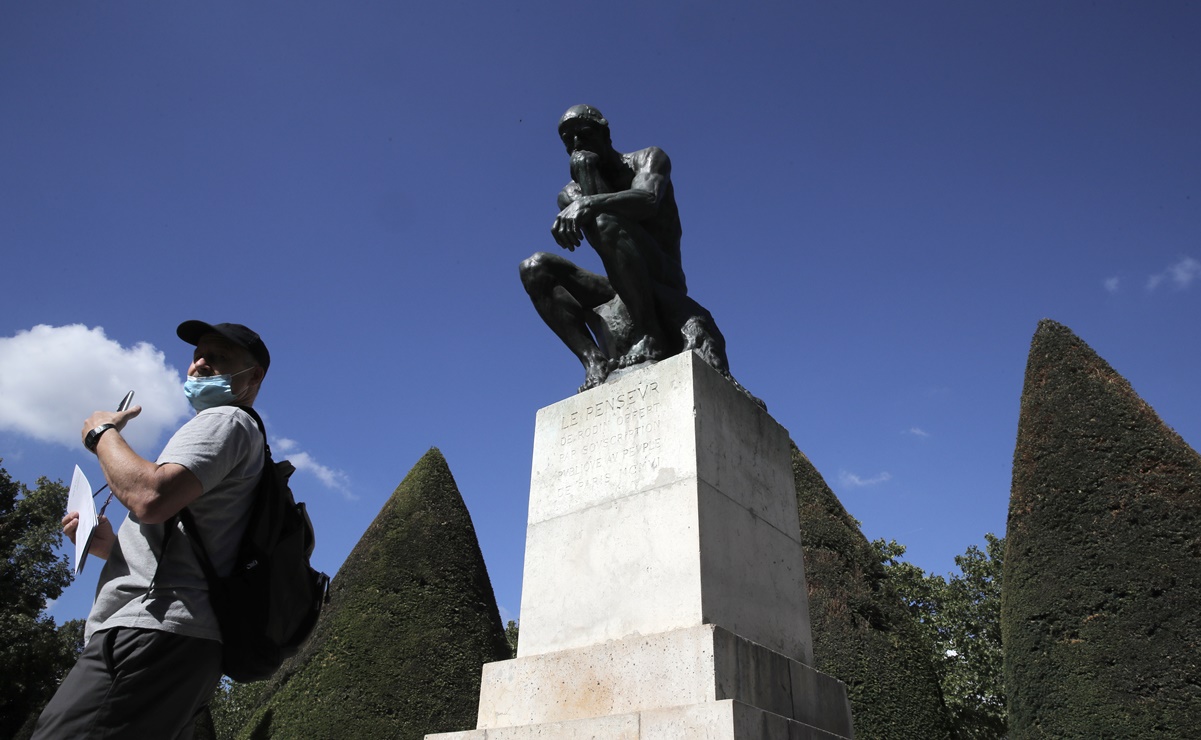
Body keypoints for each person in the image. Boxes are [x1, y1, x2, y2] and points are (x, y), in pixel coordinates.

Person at [33, 321, 271, 740]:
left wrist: (101, 434)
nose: (199, 363)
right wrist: (112, 547)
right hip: (173, 636)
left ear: (253, 377)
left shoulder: (226, 420)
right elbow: (191, 537)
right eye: (198, 353)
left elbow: (149, 496)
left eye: (218, 357)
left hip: (152, 629)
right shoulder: (236, 434)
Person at [520, 105, 741, 395]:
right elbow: (598, 220)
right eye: (568, 141)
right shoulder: (570, 194)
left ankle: (651, 334)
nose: (576, 145)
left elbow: (647, 200)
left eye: (583, 134)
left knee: (605, 220)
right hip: (619, 283)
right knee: (534, 267)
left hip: (661, 274)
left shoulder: (648, 159)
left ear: (605, 133)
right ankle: (593, 360)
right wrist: (586, 178)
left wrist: (589, 203)